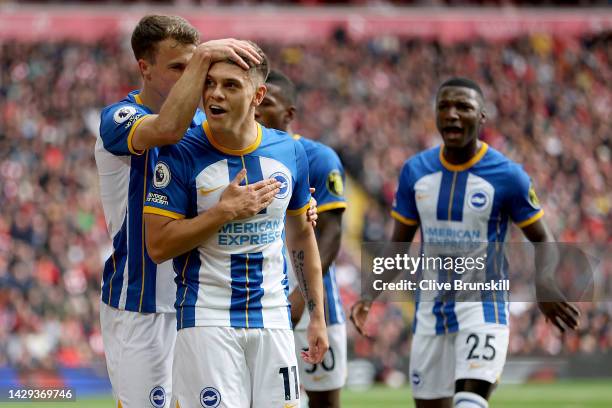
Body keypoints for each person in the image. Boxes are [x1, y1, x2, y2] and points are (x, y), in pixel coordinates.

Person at [350, 78, 580, 408]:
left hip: (483, 307)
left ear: (481, 117)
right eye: (444, 107)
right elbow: (398, 247)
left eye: (464, 107)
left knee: (470, 403)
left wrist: (544, 283)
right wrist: (369, 294)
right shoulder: (415, 172)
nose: (453, 114)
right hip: (430, 311)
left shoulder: (508, 176)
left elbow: (542, 237)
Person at [143, 42, 328, 408]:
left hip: (273, 318)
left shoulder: (289, 152)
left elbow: (302, 236)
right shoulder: (180, 153)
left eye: (230, 85)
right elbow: (158, 245)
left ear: (258, 95)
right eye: (209, 83)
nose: (215, 93)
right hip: (206, 318)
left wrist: (317, 316)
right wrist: (222, 212)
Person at [95, 14, 265, 408]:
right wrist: (206, 55)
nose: (195, 75)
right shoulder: (119, 119)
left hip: (201, 302)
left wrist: (289, 201)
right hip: (141, 304)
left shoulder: (207, 124)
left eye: (195, 65)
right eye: (180, 67)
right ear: (145, 68)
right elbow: (168, 128)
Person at [256, 70, 347, 408]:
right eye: (255, 101)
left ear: (289, 114)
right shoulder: (240, 156)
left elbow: (332, 234)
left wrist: (301, 297)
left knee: (323, 402)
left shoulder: (319, 157)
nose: (256, 110)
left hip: (315, 306)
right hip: (261, 303)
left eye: (268, 104)